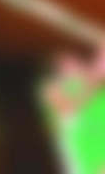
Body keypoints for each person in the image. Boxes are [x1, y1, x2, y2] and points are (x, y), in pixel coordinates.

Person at [39, 42, 105, 174]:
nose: (75, 65)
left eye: (76, 61)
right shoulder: (52, 90)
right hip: (88, 161)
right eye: (65, 64)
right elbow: (68, 108)